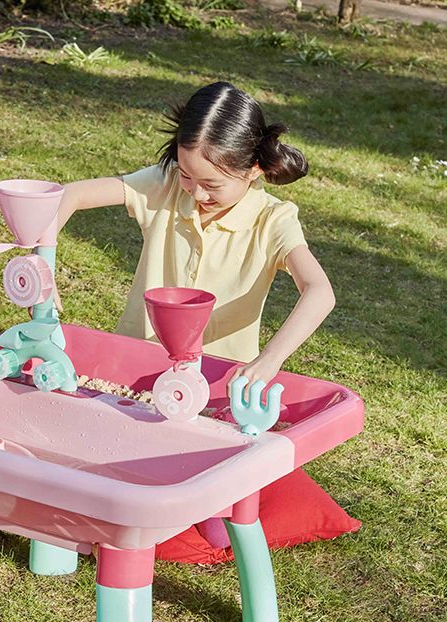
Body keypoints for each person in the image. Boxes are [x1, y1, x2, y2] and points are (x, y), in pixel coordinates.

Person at [57, 80, 335, 398]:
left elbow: (320, 291)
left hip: (218, 388)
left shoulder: (273, 220)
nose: (197, 192)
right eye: (187, 174)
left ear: (254, 169)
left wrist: (270, 359)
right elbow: (71, 194)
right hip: (128, 377)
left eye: (212, 184)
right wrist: (43, 257)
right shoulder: (165, 184)